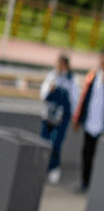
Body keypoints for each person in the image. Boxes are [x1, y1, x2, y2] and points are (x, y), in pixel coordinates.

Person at [72, 49, 104, 191]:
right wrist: (78, 117)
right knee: (86, 153)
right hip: (90, 123)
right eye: (102, 58)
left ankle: (97, 184)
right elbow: (84, 97)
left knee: (100, 156)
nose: (103, 61)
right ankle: (84, 182)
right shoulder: (93, 75)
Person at [39, 54, 79, 184]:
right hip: (48, 115)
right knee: (43, 141)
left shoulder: (71, 80)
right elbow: (43, 93)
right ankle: (42, 166)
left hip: (61, 118)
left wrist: (74, 117)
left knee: (55, 144)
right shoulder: (52, 76)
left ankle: (54, 168)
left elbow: (74, 99)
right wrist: (48, 90)